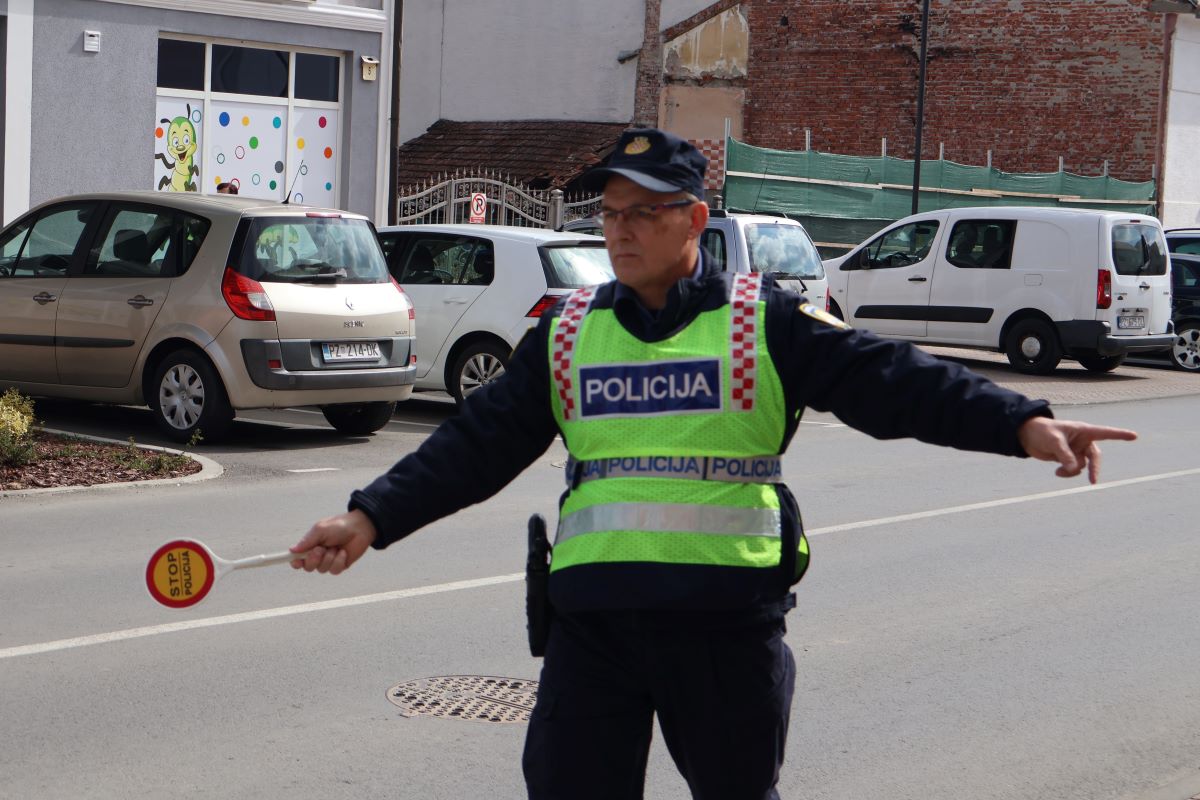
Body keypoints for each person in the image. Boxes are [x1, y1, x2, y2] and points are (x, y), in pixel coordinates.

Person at [290, 128, 1137, 800]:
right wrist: (370, 517)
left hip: (723, 625)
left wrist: (1020, 421)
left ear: (695, 220)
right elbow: (476, 443)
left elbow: (895, 380)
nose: (620, 230)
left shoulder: (763, 322)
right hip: (592, 628)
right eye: (610, 214)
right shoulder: (569, 331)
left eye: (643, 213)